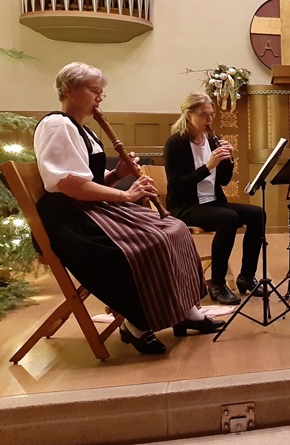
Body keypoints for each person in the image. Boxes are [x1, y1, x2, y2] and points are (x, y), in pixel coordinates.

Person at [34, 62, 224, 356]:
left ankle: (187, 310)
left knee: (173, 228)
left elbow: (90, 181)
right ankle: (135, 323)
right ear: (69, 90)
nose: (99, 97)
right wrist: (124, 196)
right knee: (147, 243)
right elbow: (68, 185)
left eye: (101, 92)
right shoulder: (57, 124)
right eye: (94, 90)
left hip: (91, 209)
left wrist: (119, 174)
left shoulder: (85, 131)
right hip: (72, 220)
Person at [164, 92, 265, 305]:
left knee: (258, 214)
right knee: (227, 218)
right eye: (203, 115)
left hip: (213, 202)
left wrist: (229, 160)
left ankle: (246, 276)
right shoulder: (175, 143)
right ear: (187, 115)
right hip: (186, 206)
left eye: (211, 115)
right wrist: (208, 166)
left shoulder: (211, 140)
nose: (209, 121)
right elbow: (177, 186)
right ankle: (217, 284)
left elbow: (225, 181)